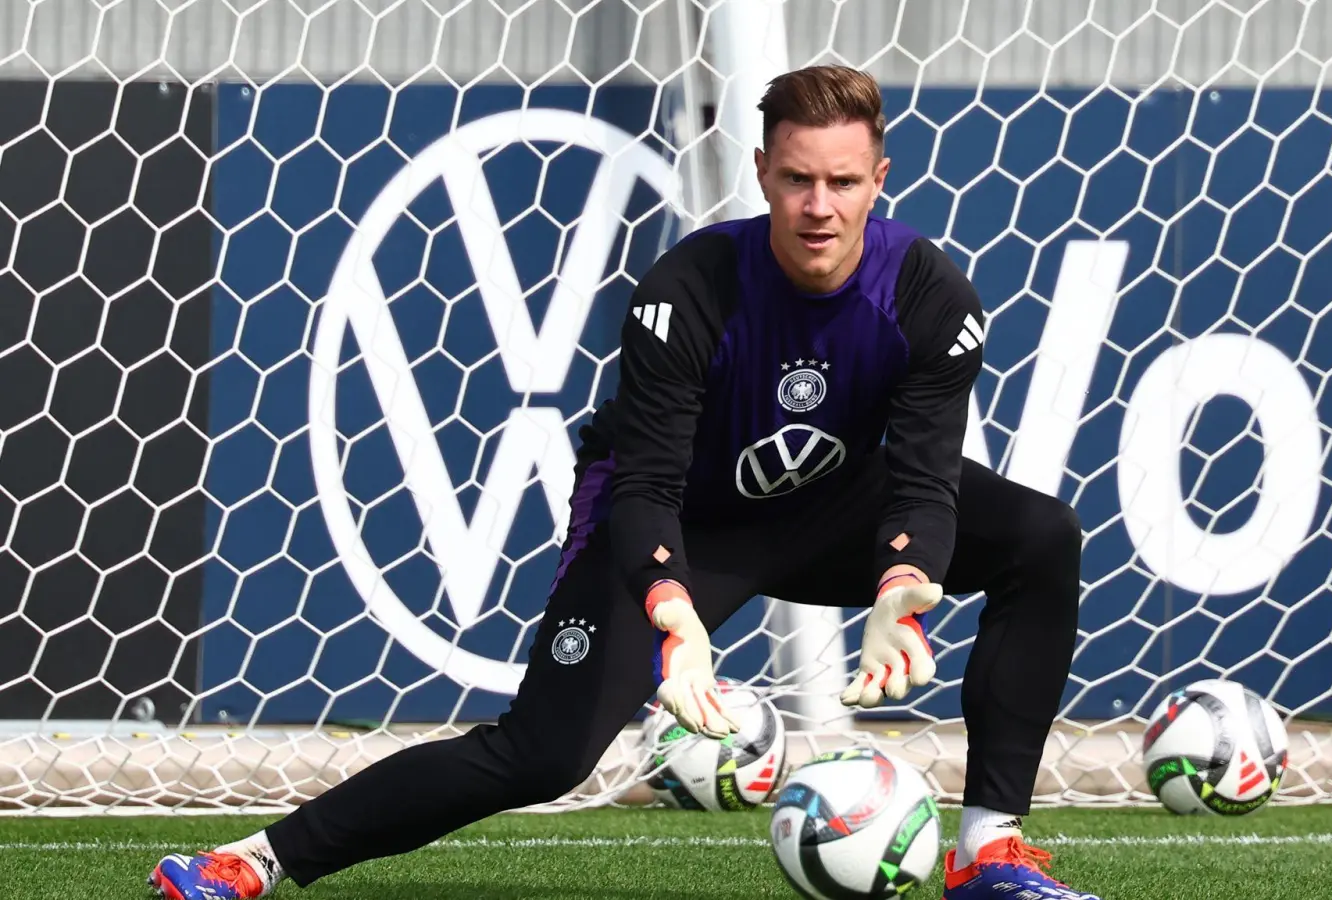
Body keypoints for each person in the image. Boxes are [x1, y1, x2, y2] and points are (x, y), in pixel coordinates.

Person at [149, 64, 1093, 900]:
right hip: (679, 519)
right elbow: (643, 477)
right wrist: (671, 610)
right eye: (798, 179)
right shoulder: (687, 288)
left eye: (843, 182)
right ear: (762, 172)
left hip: (837, 500)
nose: (819, 206)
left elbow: (924, 472)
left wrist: (903, 584)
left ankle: (988, 854)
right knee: (543, 755)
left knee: (1041, 538)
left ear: (879, 182)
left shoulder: (933, 295)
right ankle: (256, 860)